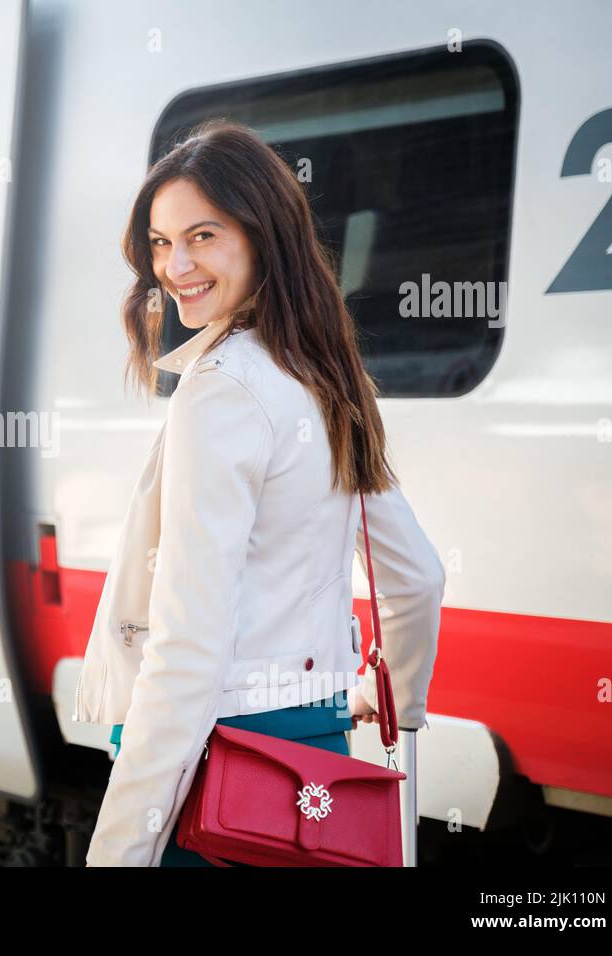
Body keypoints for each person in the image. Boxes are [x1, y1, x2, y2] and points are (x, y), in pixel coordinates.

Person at [74, 118, 445, 867]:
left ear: (262, 235)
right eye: (160, 242)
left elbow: (187, 652)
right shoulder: (325, 378)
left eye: (202, 236)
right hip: (317, 758)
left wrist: (119, 851)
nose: (175, 265)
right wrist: (393, 701)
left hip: (216, 776)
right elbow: (418, 578)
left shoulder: (222, 392)